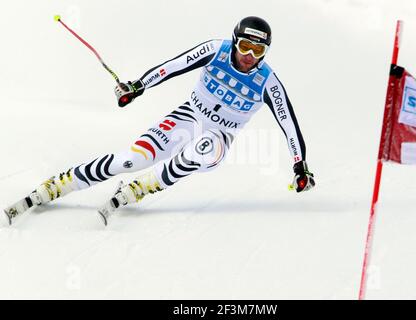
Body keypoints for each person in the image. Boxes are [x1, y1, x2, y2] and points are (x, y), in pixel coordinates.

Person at [4, 16, 315, 226]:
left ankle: (142, 188)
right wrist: (138, 87)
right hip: (188, 116)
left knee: (203, 151)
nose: (249, 55)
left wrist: (299, 166)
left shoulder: (267, 81)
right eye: (245, 46)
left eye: (258, 49)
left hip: (220, 134)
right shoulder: (215, 50)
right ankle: (61, 183)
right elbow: (174, 66)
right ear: (234, 42)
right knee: (131, 159)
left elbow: (289, 123)